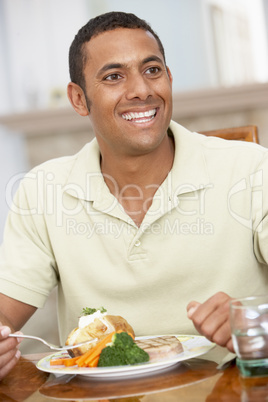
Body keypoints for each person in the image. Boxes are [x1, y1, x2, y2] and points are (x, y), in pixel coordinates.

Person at [0, 11, 268, 380]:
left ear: (169, 79)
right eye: (113, 76)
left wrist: (256, 319)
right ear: (79, 99)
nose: (141, 89)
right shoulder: (43, 189)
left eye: (152, 70)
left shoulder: (252, 169)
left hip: (230, 388)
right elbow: (4, 312)